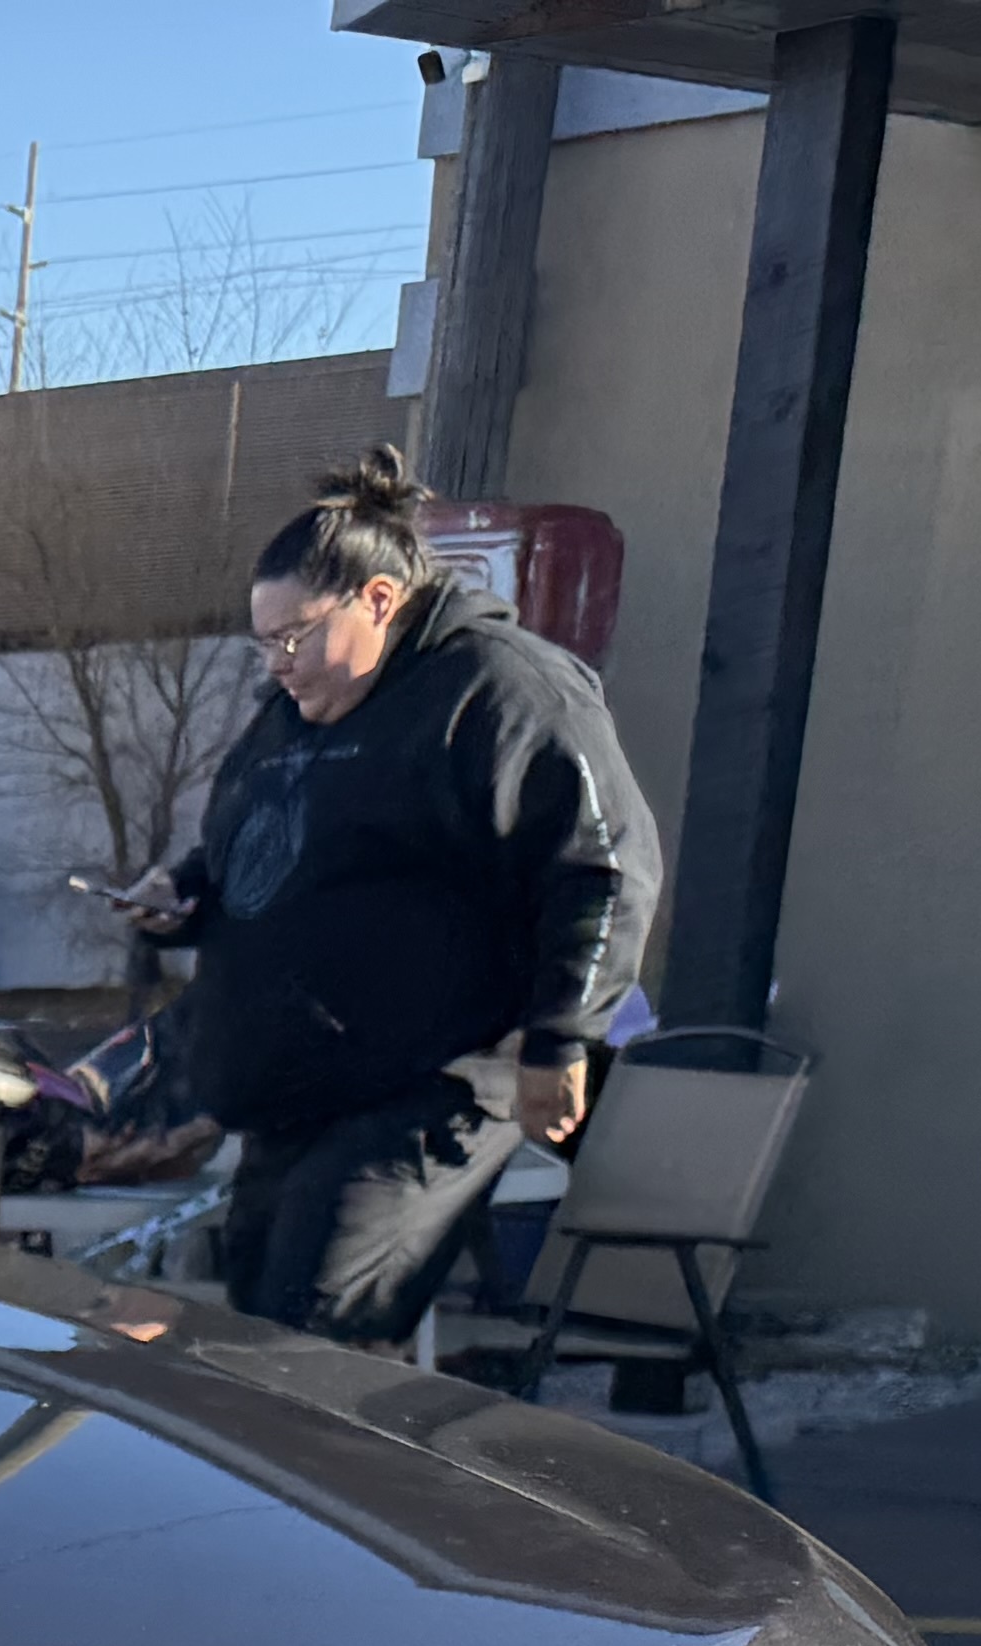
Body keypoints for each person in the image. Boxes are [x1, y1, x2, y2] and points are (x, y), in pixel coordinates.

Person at [113, 449, 663, 1343]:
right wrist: (185, 890)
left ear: (377, 599)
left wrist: (562, 1037)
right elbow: (269, 845)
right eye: (264, 643)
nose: (278, 663)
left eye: (294, 637)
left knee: (309, 1344)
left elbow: (603, 866)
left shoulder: (500, 688)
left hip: (429, 1085)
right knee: (255, 1344)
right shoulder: (295, 711)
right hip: (293, 1089)